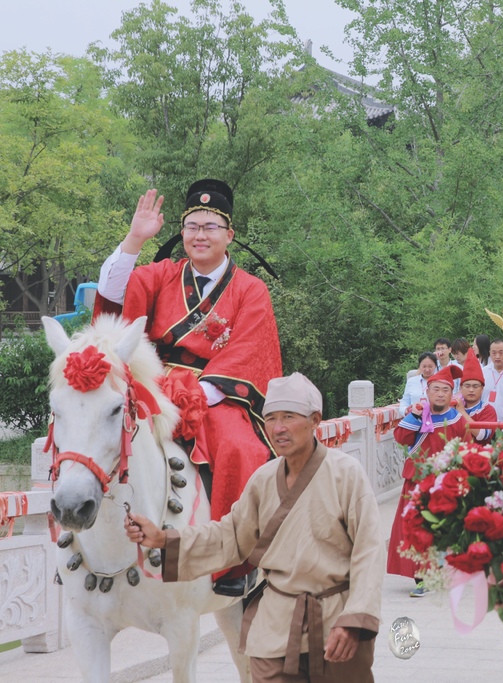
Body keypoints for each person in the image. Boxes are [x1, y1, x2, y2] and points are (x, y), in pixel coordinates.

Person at [125, 373, 382, 682]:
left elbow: (369, 550)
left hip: (335, 622)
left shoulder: (346, 474)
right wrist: (164, 538)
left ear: (315, 420)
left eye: (289, 417)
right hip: (276, 626)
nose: (278, 428)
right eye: (271, 418)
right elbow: (229, 536)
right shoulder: (262, 479)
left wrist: (354, 619)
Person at [97, 181, 282, 596]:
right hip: (152, 382)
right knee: (95, 432)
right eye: (192, 226)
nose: (200, 235)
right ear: (181, 233)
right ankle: (85, 540)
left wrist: (200, 393)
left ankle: (236, 560)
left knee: (239, 446)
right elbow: (111, 298)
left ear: (229, 234)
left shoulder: (251, 289)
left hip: (216, 391)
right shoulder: (160, 275)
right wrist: (134, 238)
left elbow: (250, 351)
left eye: (211, 226)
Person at [389, 364, 470, 595]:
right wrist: (414, 414)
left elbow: (465, 451)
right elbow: (402, 439)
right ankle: (421, 577)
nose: (440, 394)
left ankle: (435, 573)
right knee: (413, 530)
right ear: (427, 392)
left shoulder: (457, 421)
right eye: (435, 389)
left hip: (444, 485)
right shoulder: (418, 415)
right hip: (415, 482)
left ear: (451, 393)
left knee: (438, 532)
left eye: (445, 390)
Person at [456, 349, 497, 444]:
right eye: (467, 386)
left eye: (475, 386)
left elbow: (482, 435)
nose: (471, 390)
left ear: (482, 389)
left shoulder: (488, 410)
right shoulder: (452, 407)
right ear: (460, 388)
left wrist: (462, 412)